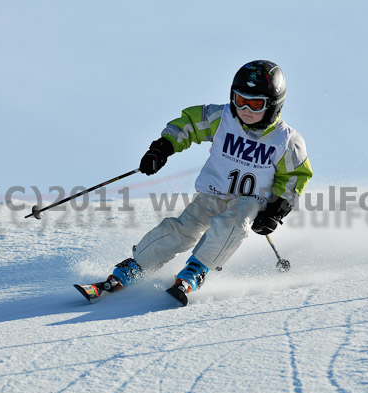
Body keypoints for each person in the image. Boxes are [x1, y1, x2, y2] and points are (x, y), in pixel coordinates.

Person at [107, 60, 313, 300]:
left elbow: (295, 177)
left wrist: (275, 211)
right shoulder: (222, 118)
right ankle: (138, 264)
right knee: (183, 229)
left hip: (249, 200)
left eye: (256, 104)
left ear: (274, 105)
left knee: (234, 226)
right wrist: (163, 147)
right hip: (212, 193)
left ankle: (198, 267)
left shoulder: (286, 140)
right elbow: (191, 124)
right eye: (240, 100)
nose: (246, 109)